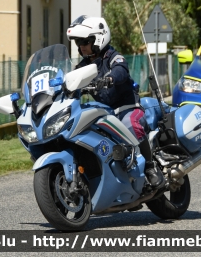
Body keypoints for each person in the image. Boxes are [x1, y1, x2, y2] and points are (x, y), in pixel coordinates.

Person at [66, 15, 164, 189]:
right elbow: (71, 81)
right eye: (78, 44)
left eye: (85, 42)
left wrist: (109, 78)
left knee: (131, 125)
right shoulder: (82, 67)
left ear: (98, 39)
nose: (81, 47)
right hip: (104, 113)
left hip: (127, 108)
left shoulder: (113, 57)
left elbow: (121, 71)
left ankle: (150, 167)